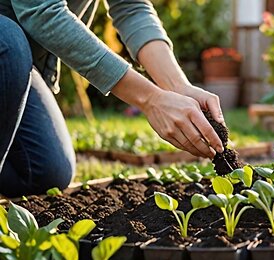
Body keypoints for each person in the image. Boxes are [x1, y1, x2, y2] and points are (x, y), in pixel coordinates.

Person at [0, 0, 225, 198]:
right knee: (8, 40)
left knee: (44, 173)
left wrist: (178, 87)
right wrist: (150, 99)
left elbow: (131, 7)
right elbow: (43, 12)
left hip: (18, 66)